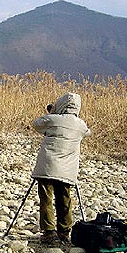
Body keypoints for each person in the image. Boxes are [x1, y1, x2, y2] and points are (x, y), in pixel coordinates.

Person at [31, 92, 91, 244]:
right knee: (65, 199)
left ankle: (48, 232)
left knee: (46, 199)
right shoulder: (81, 125)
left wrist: (53, 113)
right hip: (67, 171)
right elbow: (87, 133)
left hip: (47, 167)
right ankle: (64, 231)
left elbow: (36, 124)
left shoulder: (52, 119)